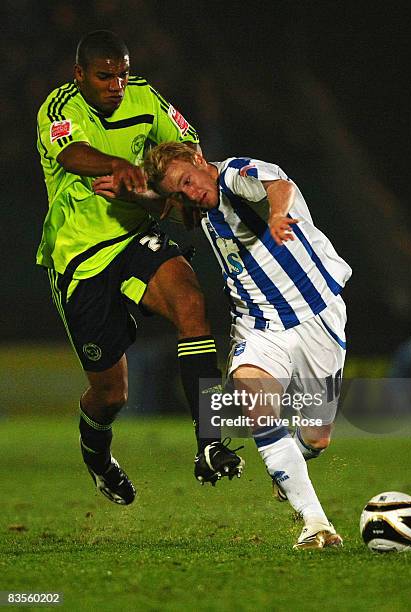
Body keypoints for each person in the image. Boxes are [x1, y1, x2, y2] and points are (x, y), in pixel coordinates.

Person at [36, 30, 244, 506]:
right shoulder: (59, 107)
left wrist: (160, 194)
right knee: (111, 395)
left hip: (132, 239)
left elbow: (190, 147)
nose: (117, 84)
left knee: (192, 304)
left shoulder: (146, 98)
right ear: (80, 75)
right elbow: (71, 154)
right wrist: (116, 164)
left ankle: (209, 442)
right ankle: (97, 457)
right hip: (79, 259)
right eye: (105, 76)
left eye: (122, 74)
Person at [144, 142, 352, 550]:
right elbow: (169, 191)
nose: (189, 193)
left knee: (317, 437)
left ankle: (292, 462)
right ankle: (315, 522)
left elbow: (278, 184)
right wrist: (139, 190)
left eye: (188, 181)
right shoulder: (197, 202)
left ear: (201, 162)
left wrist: (276, 215)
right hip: (258, 326)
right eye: (179, 192)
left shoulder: (237, 174)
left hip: (318, 317)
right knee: (253, 397)